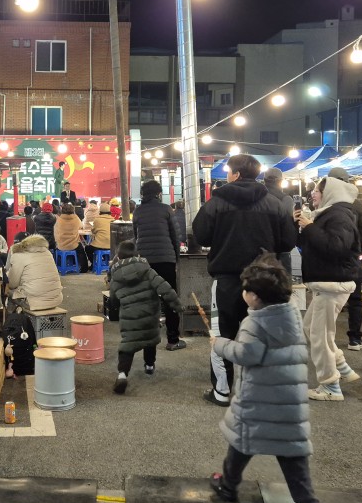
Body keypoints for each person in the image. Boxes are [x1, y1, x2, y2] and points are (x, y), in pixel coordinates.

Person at [209, 253, 323, 503]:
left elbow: (246, 354)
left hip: (258, 401)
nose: (243, 293)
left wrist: (220, 344)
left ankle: (228, 487)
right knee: (293, 460)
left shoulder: (255, 322)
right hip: (290, 404)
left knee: (240, 444)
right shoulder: (291, 315)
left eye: (246, 289)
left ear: (256, 297)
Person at [192, 154, 297, 406]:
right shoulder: (274, 203)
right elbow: (288, 242)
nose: (227, 175)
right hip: (263, 280)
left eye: (229, 171)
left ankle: (221, 391)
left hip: (227, 279)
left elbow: (201, 235)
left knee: (222, 336)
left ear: (237, 174)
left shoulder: (215, 203)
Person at [295, 176, 362, 402]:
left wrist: (310, 227)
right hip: (328, 282)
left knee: (320, 336)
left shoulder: (339, 215)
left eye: (317, 190)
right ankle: (342, 367)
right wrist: (305, 228)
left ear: (330, 192)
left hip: (333, 282)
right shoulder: (331, 213)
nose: (313, 193)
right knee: (310, 329)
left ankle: (330, 385)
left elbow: (336, 247)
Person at [109, 240, 182, 394]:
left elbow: (113, 300)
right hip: (150, 316)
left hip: (129, 319)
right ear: (138, 255)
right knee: (150, 340)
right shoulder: (148, 270)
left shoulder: (116, 276)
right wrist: (176, 305)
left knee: (127, 346)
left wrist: (114, 309)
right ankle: (149, 366)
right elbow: (165, 288)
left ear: (118, 257)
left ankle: (122, 375)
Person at [132, 179, 185, 350]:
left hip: (145, 262)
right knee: (170, 299)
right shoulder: (166, 209)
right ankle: (173, 340)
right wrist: (176, 258)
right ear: (159, 193)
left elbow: (136, 237)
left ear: (143, 194)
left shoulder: (138, 212)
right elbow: (175, 236)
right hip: (166, 260)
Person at [327, 167, 362, 353]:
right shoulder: (357, 204)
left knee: (327, 298)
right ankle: (354, 338)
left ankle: (326, 337)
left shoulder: (326, 203)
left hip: (330, 258)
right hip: (354, 259)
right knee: (354, 299)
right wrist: (355, 248)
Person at [6, 233, 63, 310]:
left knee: (9, 293)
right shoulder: (47, 252)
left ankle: (13, 320)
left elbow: (12, 284)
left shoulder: (18, 255)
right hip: (56, 299)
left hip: (33, 302)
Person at [263, 168, 296, 275]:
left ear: (264, 180)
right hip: (281, 251)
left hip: (260, 251)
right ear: (281, 181)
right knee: (282, 287)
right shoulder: (286, 199)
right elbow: (288, 227)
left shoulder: (257, 197)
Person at [54, 203, 88, 272]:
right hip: (73, 245)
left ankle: (60, 266)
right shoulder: (76, 218)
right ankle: (84, 268)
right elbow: (81, 226)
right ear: (73, 210)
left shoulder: (59, 219)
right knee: (81, 249)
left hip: (61, 245)